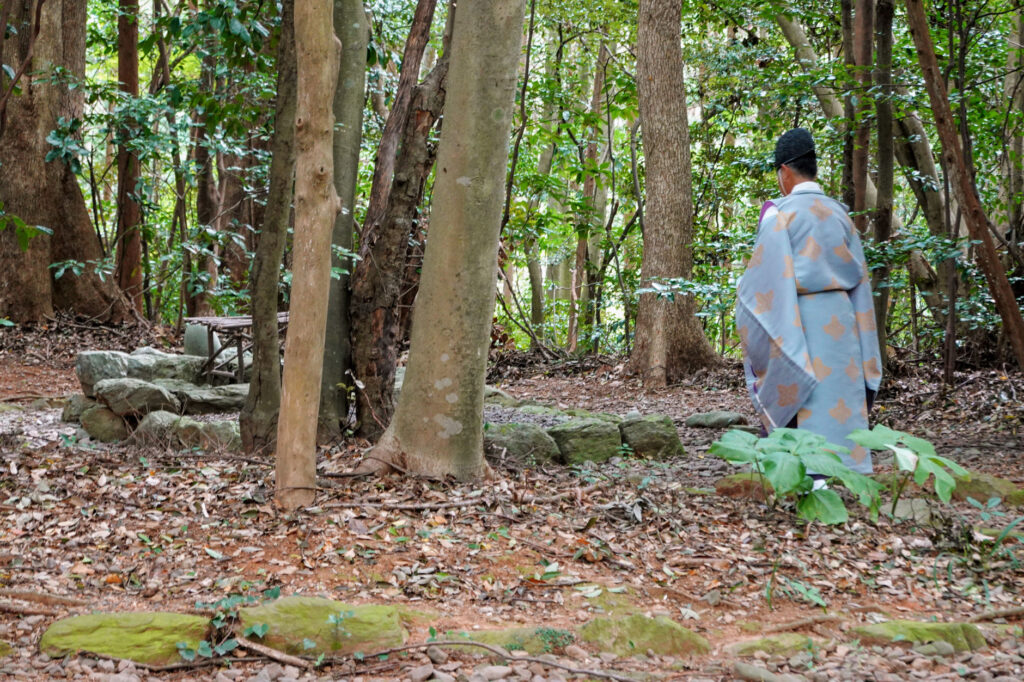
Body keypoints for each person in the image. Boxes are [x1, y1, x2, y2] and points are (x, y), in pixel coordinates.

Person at [736, 128, 882, 475]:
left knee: (802, 388)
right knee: (839, 397)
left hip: (800, 320)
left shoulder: (780, 214)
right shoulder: (841, 215)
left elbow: (762, 284)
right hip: (843, 322)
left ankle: (802, 473)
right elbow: (860, 281)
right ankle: (843, 469)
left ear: (784, 171)